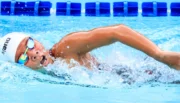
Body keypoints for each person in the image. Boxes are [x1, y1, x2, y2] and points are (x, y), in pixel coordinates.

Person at [0, 24, 180, 72]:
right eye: (22, 58)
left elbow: (117, 32)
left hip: (144, 73)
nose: (34, 53)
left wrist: (160, 56)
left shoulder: (65, 48)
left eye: (30, 44)